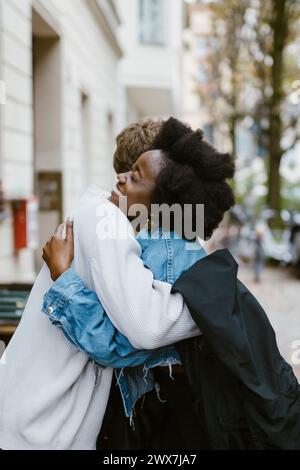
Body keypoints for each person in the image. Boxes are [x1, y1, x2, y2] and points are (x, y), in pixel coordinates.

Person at [0, 119, 203, 450]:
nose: (120, 182)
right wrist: (198, 309)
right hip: (40, 429)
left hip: (41, 424)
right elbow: (144, 330)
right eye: (132, 173)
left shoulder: (112, 223)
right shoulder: (106, 219)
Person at [42, 117, 235, 448]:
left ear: (165, 186)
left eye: (134, 175)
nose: (118, 184)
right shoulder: (167, 237)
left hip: (167, 411)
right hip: (169, 404)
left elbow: (118, 347)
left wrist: (64, 278)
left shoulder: (166, 247)